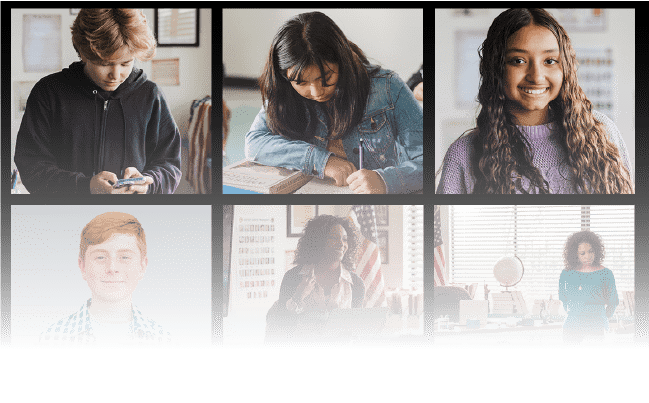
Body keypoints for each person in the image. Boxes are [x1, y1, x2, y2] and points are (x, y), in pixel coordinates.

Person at [436, 8, 633, 194]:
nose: (536, 76)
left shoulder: (602, 133)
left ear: (565, 67)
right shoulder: (464, 154)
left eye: (549, 61)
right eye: (518, 61)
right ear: (496, 68)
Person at [246, 11, 423, 194]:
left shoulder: (388, 87)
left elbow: (426, 160)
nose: (316, 92)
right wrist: (321, 161)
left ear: (342, 61)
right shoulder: (284, 92)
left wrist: (385, 180)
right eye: (301, 83)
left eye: (326, 77)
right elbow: (255, 143)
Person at [15, 9, 181, 194]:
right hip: (61, 215)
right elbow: (31, 166)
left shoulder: (151, 96)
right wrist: (85, 187)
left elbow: (170, 165)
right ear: (84, 52)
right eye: (104, 63)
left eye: (126, 63)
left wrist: (149, 185)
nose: (116, 75)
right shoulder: (48, 93)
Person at [38, 212, 173, 345]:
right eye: (101, 257)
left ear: (142, 267)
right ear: (83, 266)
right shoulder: (51, 339)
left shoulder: (165, 341)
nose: (112, 268)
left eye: (124, 257)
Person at [265, 215, 365, 342]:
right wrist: (298, 297)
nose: (341, 244)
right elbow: (280, 325)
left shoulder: (356, 284)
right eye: (334, 238)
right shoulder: (293, 277)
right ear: (318, 240)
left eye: (345, 239)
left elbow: (357, 334)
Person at [559, 230, 619, 345]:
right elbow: (563, 297)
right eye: (582, 253)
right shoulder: (566, 274)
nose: (588, 256)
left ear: (597, 250)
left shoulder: (606, 274)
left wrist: (601, 317)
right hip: (571, 328)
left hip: (596, 328)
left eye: (591, 251)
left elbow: (613, 301)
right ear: (575, 254)